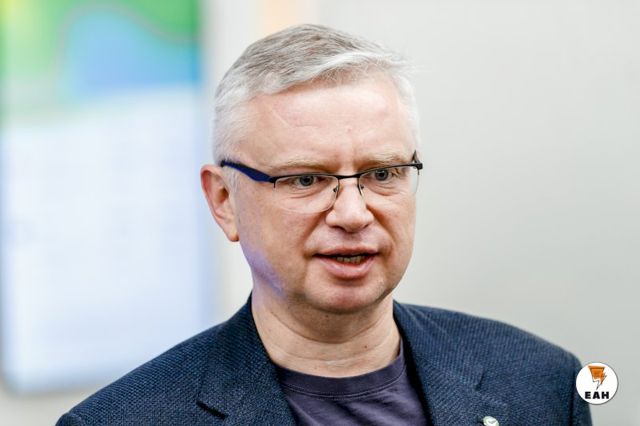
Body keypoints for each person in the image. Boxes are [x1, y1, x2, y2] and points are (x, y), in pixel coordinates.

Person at [57, 24, 591, 426]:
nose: (353, 214)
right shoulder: (123, 420)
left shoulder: (543, 386)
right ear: (224, 201)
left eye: (382, 173)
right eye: (306, 179)